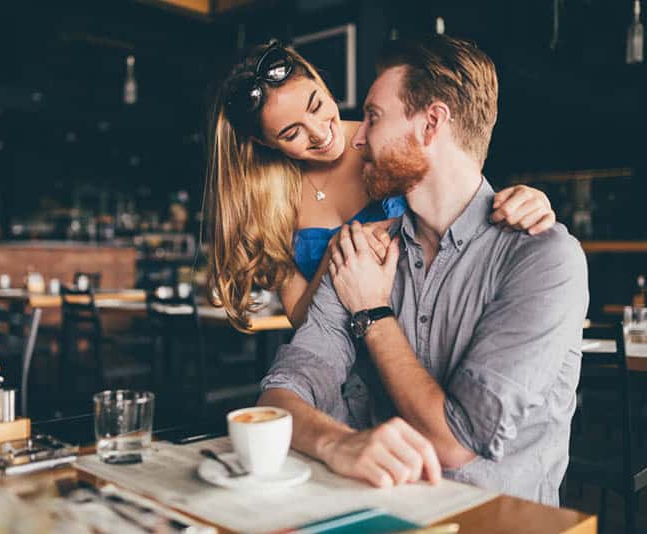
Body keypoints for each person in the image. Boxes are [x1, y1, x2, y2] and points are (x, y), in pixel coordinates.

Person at [258, 35, 588, 506]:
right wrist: (339, 443)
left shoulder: (543, 258)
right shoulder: (361, 252)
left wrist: (371, 312)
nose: (357, 137)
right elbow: (279, 395)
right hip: (378, 510)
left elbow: (457, 444)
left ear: (431, 123)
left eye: (373, 117)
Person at [205, 40, 557, 332]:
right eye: (291, 133)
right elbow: (300, 317)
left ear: (320, 82)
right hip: (341, 366)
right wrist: (334, 255)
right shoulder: (270, 201)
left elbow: (468, 207)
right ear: (265, 143)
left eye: (316, 105)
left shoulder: (388, 139)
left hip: (430, 340)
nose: (318, 131)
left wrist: (527, 200)